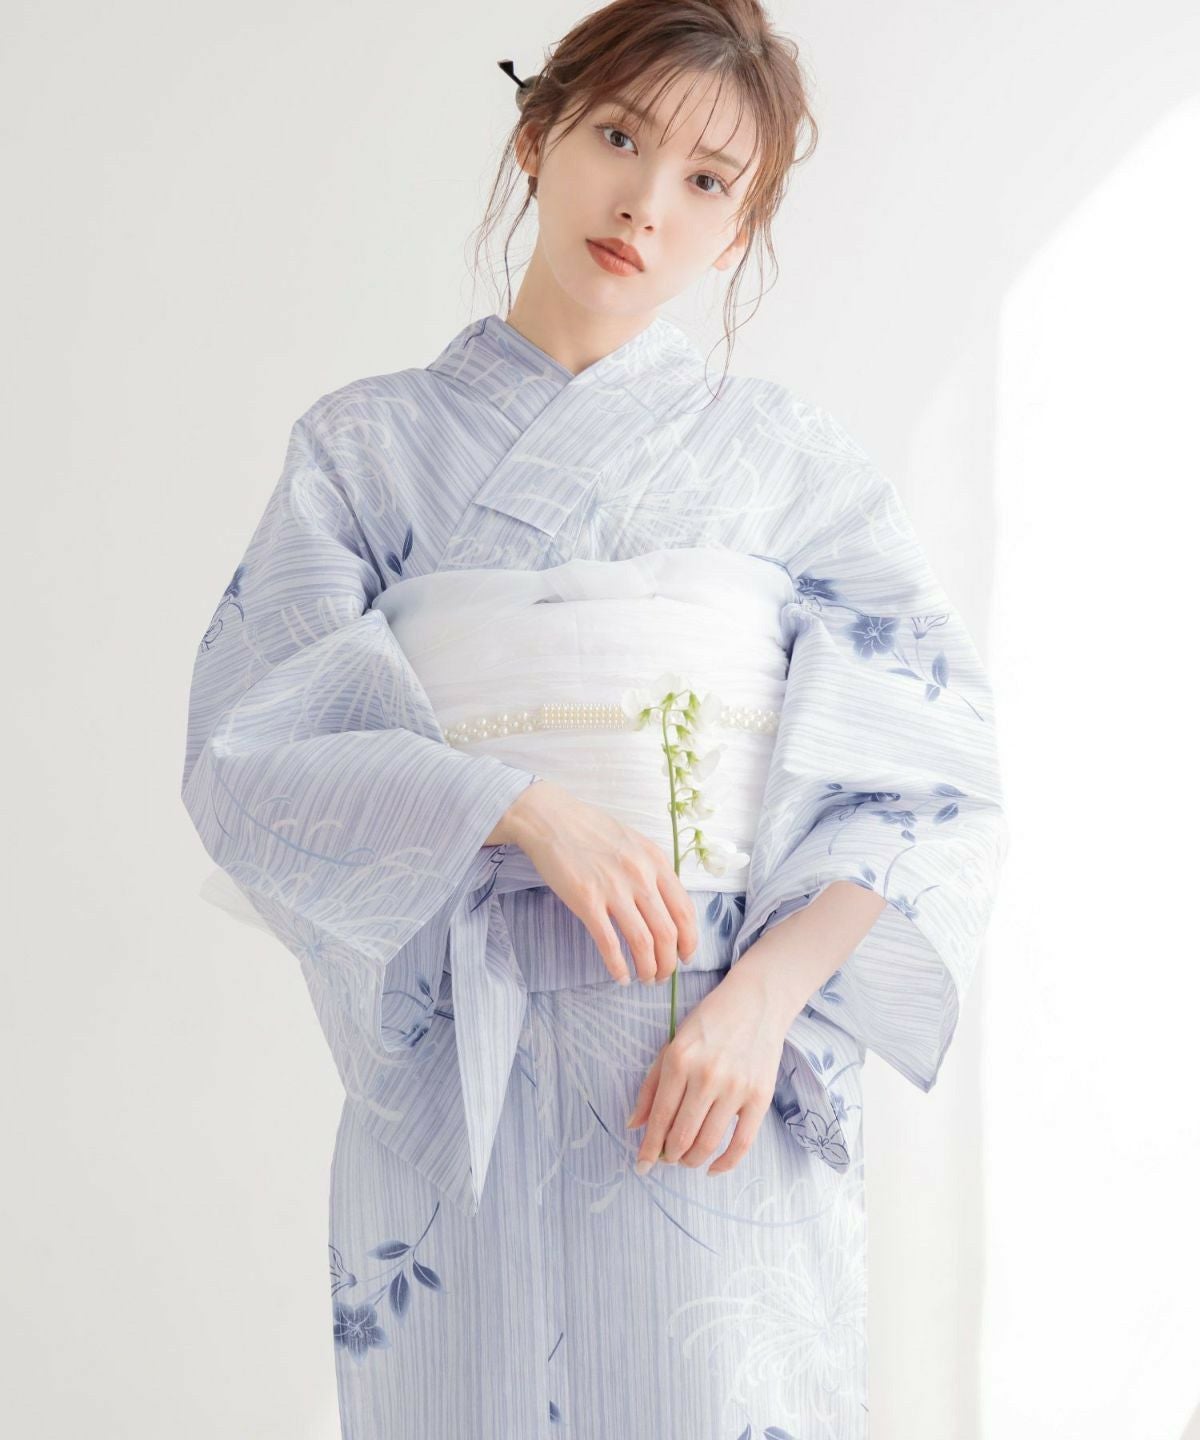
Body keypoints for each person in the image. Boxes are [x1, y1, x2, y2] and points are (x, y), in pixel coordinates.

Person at [180, 1, 1008, 1434]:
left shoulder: (791, 466)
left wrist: (764, 1003)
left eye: (707, 179)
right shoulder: (366, 450)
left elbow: (925, 777)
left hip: (713, 1062)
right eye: (619, 137)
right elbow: (252, 744)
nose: (646, 203)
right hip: (462, 1067)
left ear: (739, 230)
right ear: (538, 135)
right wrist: (512, 805)